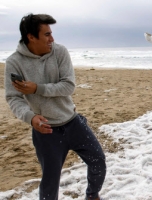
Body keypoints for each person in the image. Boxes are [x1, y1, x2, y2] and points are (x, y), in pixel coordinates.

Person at [4, 13, 106, 200]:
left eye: (51, 33)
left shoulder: (60, 52)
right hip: (46, 131)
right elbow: (13, 98)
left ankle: (92, 195)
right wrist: (30, 117)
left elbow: (69, 86)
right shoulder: (14, 62)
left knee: (98, 161)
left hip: (73, 122)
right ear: (31, 37)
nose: (52, 39)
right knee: (50, 182)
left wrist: (37, 88)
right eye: (47, 34)